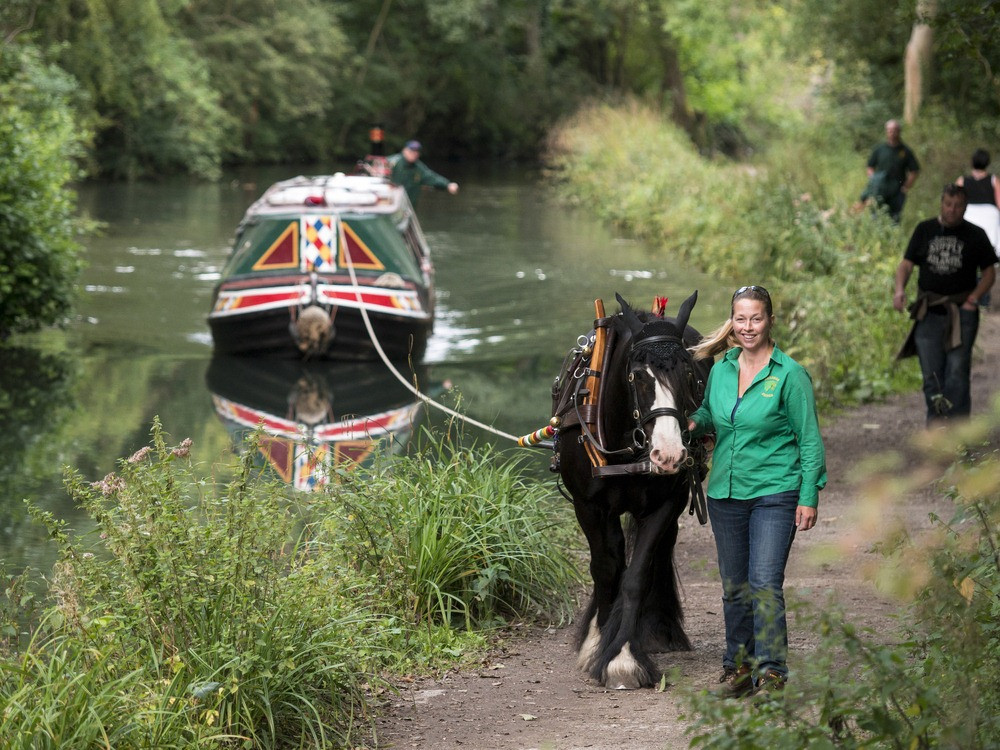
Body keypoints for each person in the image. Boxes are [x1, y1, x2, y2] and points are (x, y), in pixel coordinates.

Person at [687, 285, 827, 697]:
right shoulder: (721, 368)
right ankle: (739, 670)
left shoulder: (789, 374)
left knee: (764, 582)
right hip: (726, 493)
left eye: (756, 318)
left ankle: (771, 673)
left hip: (775, 492)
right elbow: (712, 414)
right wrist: (692, 423)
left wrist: (808, 495)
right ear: (732, 322)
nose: (748, 327)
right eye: (741, 319)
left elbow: (810, 440)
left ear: (770, 321)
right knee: (734, 586)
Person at [893, 184, 996, 422]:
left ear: (965, 207)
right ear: (941, 203)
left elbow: (989, 273)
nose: (952, 210)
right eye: (948, 204)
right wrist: (899, 290)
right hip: (928, 313)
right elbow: (906, 264)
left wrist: (973, 298)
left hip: (962, 313)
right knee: (932, 375)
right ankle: (937, 430)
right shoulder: (925, 229)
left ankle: (959, 434)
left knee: (957, 374)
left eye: (958, 206)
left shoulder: (976, 234)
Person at [956, 149, 1000, 307]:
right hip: (989, 218)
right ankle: (984, 297)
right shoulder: (994, 180)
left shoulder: (962, 181)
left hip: (969, 217)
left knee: (968, 257)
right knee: (986, 259)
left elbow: (955, 202)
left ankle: (970, 294)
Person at [861, 119, 920, 222]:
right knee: (876, 216)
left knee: (894, 218)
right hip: (880, 189)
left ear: (899, 131)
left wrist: (906, 187)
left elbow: (914, 170)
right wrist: (874, 180)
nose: (892, 133)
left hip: (897, 190)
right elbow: (870, 166)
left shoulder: (905, 151)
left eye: (894, 130)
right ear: (886, 132)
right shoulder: (879, 149)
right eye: (889, 130)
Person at [388, 140, 459, 208]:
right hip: (389, 204)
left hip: (408, 208)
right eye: (411, 151)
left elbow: (432, 177)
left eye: (417, 152)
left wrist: (447, 184)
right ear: (404, 151)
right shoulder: (393, 162)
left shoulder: (419, 168)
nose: (414, 154)